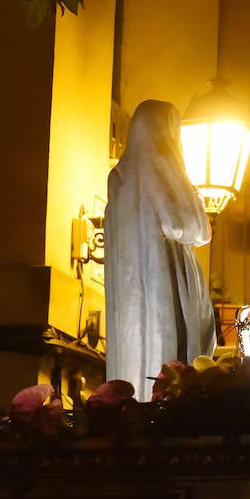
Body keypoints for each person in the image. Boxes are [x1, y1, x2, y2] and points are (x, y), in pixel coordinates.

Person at [104, 100, 216, 398]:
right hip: (164, 291)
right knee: (171, 355)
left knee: (137, 356)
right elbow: (195, 228)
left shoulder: (118, 179)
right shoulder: (162, 172)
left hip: (129, 302)